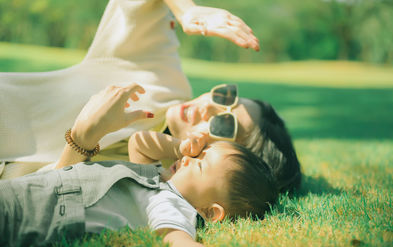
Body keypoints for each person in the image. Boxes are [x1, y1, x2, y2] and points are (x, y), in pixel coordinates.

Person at [0, 0, 301, 193]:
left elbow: (45, 198)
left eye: (224, 124)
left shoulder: (149, 189)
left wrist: (82, 140)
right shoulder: (162, 77)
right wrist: (187, 10)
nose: (207, 105)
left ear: (231, 162)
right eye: (226, 96)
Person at [0, 84, 278, 247]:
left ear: (210, 211)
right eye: (203, 151)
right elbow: (139, 143)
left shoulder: (172, 205)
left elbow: (175, 240)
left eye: (201, 164)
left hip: (43, 216)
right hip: (37, 191)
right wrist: (177, 146)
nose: (192, 157)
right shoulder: (158, 176)